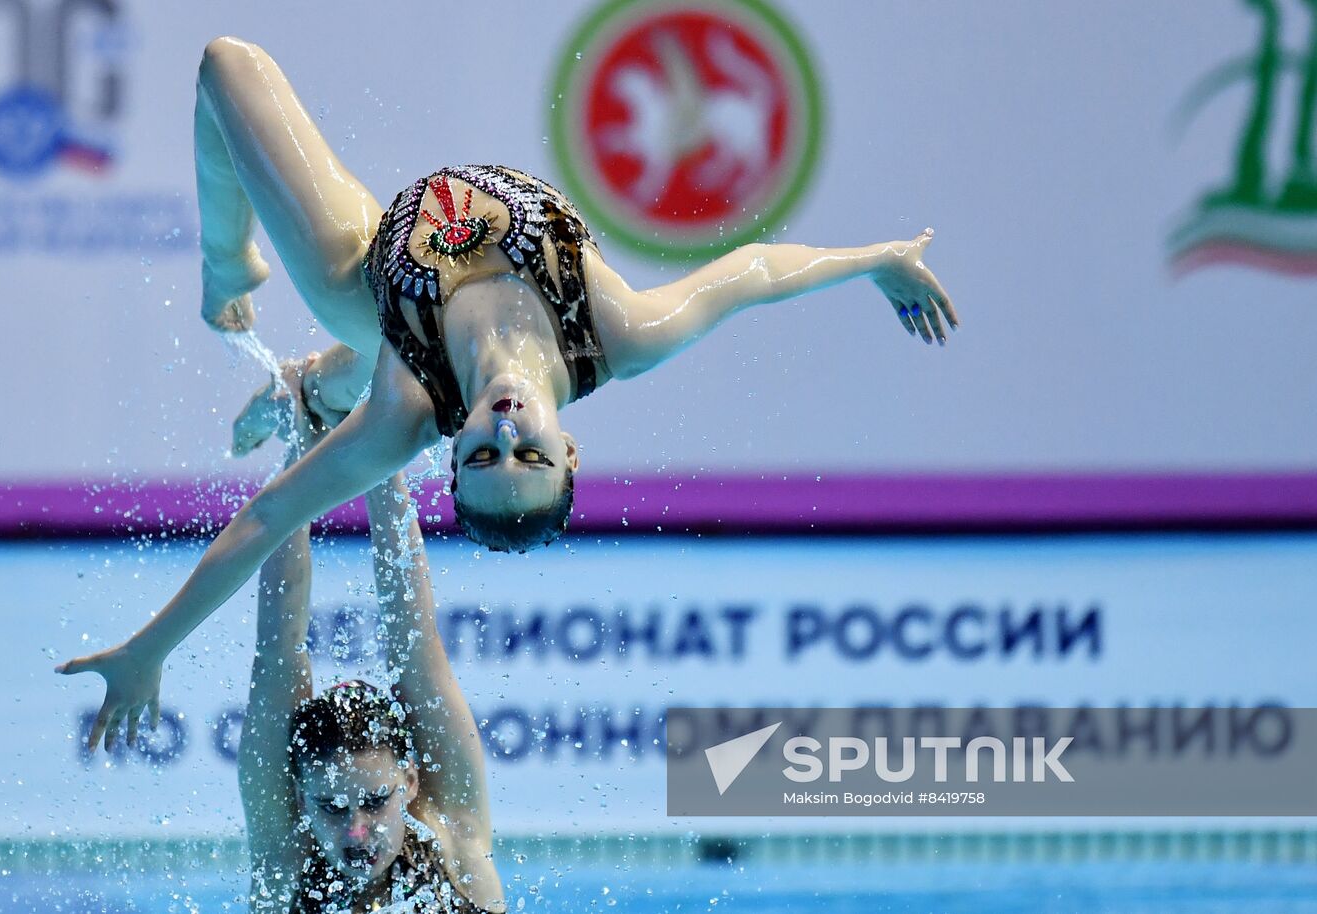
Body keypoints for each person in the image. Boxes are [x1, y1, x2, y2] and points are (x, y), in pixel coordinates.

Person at [56, 35, 958, 749]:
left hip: (368, 274)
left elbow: (263, 524)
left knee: (226, 67)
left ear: (452, 453)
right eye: (529, 454)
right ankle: (305, 374)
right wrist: (875, 263)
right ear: (570, 452)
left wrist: (150, 650)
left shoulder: (406, 415)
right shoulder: (622, 334)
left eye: (482, 456)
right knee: (353, 357)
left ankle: (231, 275)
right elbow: (756, 270)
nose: (506, 431)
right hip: (412, 322)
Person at [88, 360, 504, 913]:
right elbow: (279, 647)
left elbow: (414, 635)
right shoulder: (286, 867)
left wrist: (377, 441)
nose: (357, 833)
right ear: (300, 800)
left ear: (409, 781)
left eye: (376, 802)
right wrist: (307, 438)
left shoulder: (455, 849)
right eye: (330, 808)